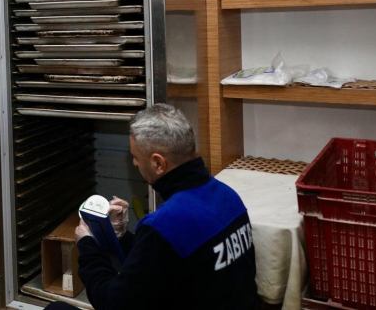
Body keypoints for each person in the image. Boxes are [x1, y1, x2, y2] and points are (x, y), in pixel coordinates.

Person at [47, 104, 257, 310]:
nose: (135, 163)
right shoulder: (229, 197)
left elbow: (111, 302)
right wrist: (123, 237)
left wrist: (87, 246)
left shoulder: (164, 225)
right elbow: (163, 261)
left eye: (136, 157)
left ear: (158, 163)